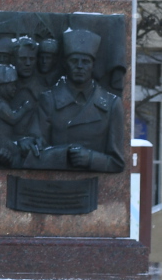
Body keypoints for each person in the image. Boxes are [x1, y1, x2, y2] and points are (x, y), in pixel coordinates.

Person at [34, 28, 125, 173]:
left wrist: (90, 158)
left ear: (93, 66)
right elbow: (37, 152)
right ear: (65, 64)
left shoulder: (111, 104)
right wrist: (64, 154)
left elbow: (118, 163)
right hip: (52, 184)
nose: (80, 66)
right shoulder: (48, 100)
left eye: (86, 62)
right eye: (74, 61)